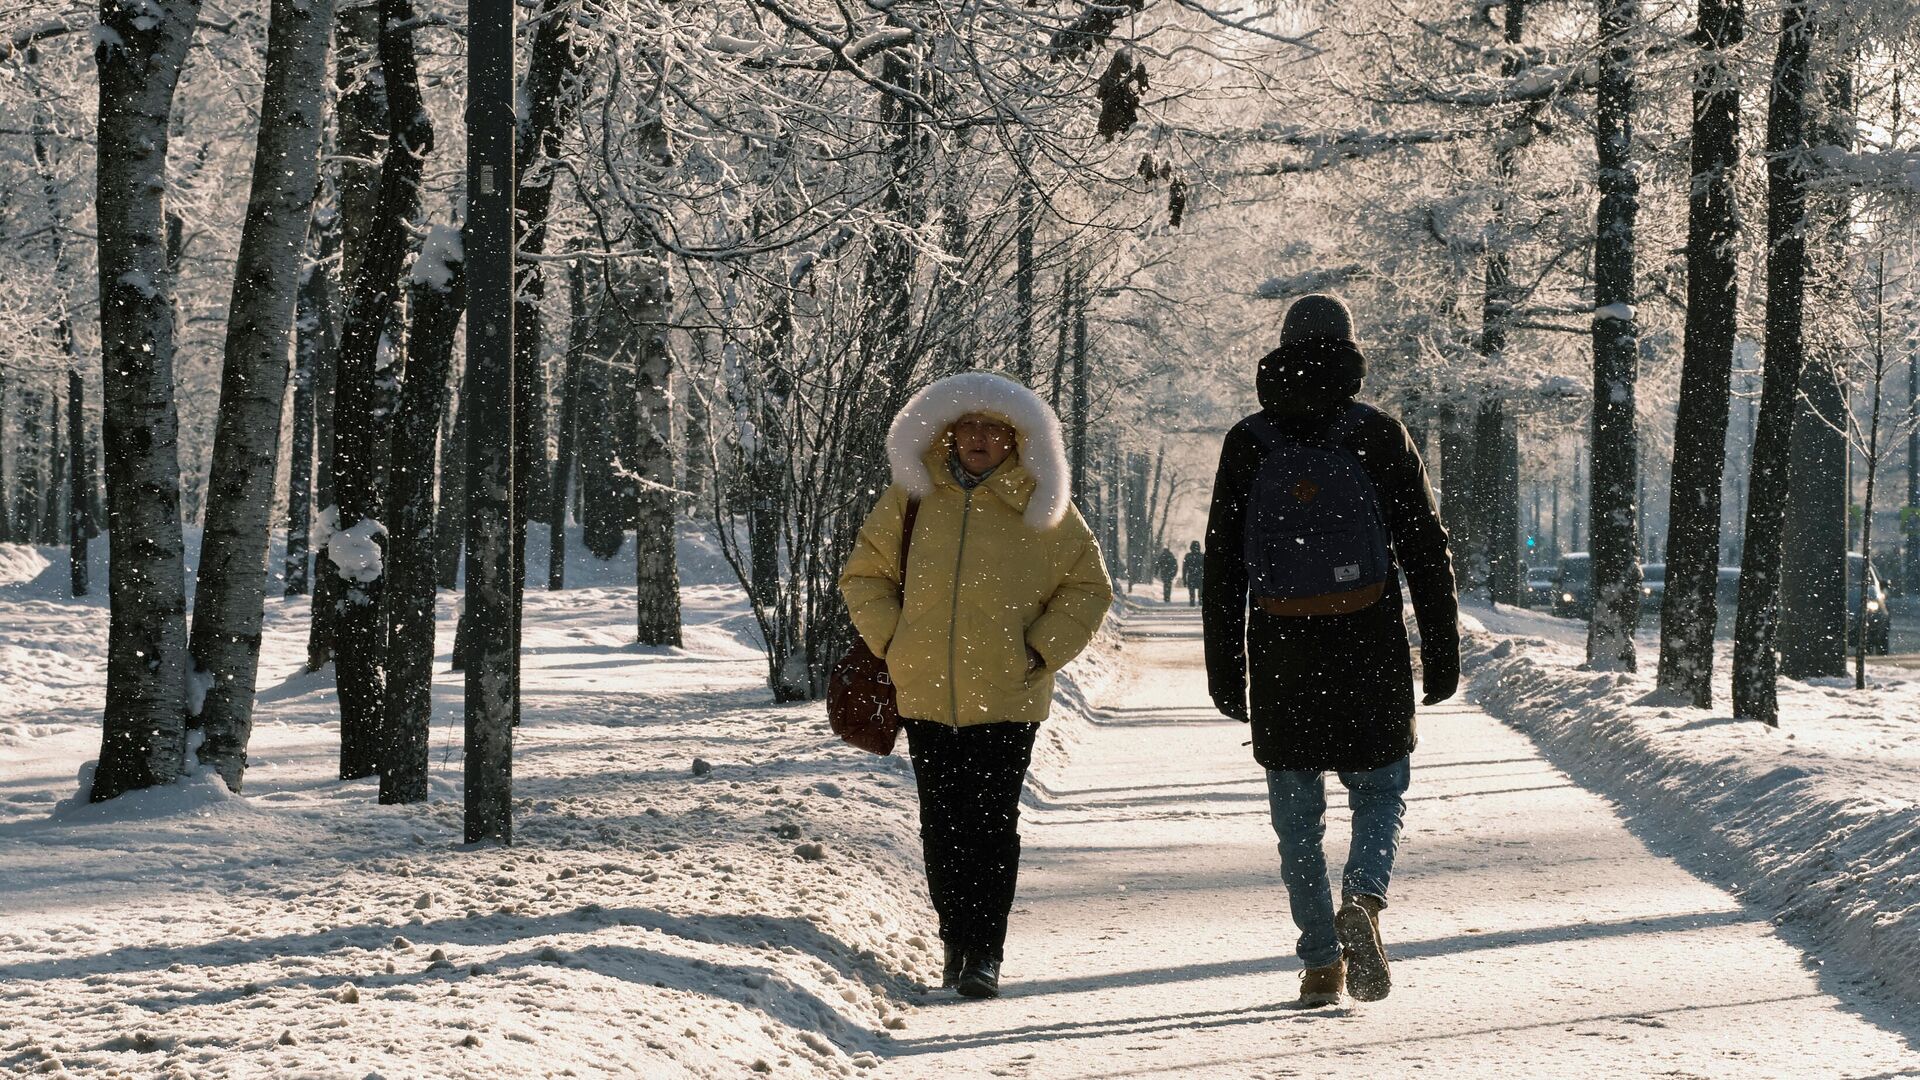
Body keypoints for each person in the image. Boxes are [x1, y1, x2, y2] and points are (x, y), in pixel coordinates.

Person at [1202, 293, 1459, 1007]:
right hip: (1368, 642)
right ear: (1350, 351)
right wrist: (1441, 653)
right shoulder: (1379, 434)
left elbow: (1222, 564)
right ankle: (1366, 900)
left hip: (1283, 649)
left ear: (1280, 351)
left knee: (1296, 811)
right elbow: (1426, 551)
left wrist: (1227, 670)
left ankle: (1320, 961)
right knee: (1380, 789)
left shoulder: (1249, 442)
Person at [841, 371, 1113, 1000]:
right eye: (967, 425)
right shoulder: (910, 498)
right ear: (946, 433)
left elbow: (1087, 587)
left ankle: (984, 952)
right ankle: (955, 940)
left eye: (993, 427)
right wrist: (893, 641)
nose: (979, 437)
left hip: (1008, 695)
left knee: (990, 822)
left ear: (1016, 438)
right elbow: (864, 575)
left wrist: (1041, 649)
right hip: (927, 689)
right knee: (941, 821)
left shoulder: (1043, 504)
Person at [1182, 540, 1205, 606]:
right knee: (1201, 590)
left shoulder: (1188, 556)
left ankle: (1192, 601)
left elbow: (1184, 568)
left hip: (1191, 576)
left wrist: (1184, 579)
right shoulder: (1202, 556)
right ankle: (1200, 601)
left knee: (1191, 591)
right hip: (1200, 576)